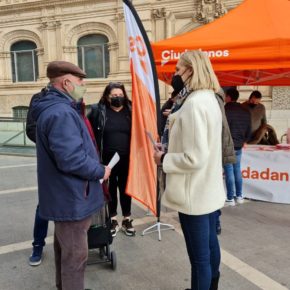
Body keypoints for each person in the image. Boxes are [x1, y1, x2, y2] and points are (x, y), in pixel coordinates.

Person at [30, 60, 111, 290]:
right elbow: (71, 159)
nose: (83, 84)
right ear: (66, 83)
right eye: (79, 81)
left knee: (66, 253)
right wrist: (100, 170)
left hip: (65, 196)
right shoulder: (62, 112)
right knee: (75, 258)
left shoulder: (58, 108)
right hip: (71, 197)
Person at [154, 50, 225, 290]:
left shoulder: (194, 104)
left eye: (177, 70)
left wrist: (163, 157)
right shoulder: (209, 99)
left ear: (190, 71)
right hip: (206, 189)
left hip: (193, 192)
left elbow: (194, 157)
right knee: (209, 246)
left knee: (199, 258)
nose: (174, 75)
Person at [87, 82, 136, 237]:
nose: (117, 98)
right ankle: (113, 219)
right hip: (106, 160)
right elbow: (88, 133)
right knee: (110, 189)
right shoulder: (97, 111)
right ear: (107, 97)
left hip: (127, 159)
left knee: (126, 189)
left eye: (120, 95)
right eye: (114, 95)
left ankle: (127, 219)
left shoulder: (131, 109)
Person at [26, 87, 49, 266]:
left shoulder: (75, 100)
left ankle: (70, 248)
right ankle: (38, 246)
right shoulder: (39, 98)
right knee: (44, 206)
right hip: (49, 162)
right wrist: (52, 143)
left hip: (71, 163)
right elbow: (31, 129)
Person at [224, 88, 251, 206]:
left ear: (229, 97)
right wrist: (245, 140)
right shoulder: (245, 111)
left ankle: (230, 197)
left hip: (227, 145)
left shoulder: (224, 110)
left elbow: (221, 128)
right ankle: (239, 196)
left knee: (229, 171)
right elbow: (250, 129)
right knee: (237, 170)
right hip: (239, 145)